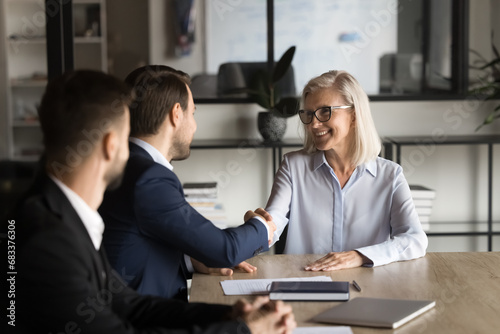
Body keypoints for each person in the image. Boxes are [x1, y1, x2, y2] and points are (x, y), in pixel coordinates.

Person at [8, 69, 295, 334]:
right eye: (125, 136)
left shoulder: (63, 214)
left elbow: (130, 304)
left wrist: (229, 317)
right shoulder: (48, 242)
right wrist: (245, 331)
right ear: (111, 145)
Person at [99, 65, 276, 300]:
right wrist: (263, 227)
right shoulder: (148, 178)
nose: (194, 125)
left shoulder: (127, 164)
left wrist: (190, 261)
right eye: (192, 113)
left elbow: (138, 249)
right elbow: (226, 250)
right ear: (176, 114)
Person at [265, 70, 428, 270]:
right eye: (308, 114)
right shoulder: (293, 167)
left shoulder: (390, 176)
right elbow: (273, 223)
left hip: (367, 287)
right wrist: (256, 229)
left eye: (325, 111)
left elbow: (415, 240)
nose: (314, 124)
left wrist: (360, 256)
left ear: (354, 116)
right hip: (304, 283)